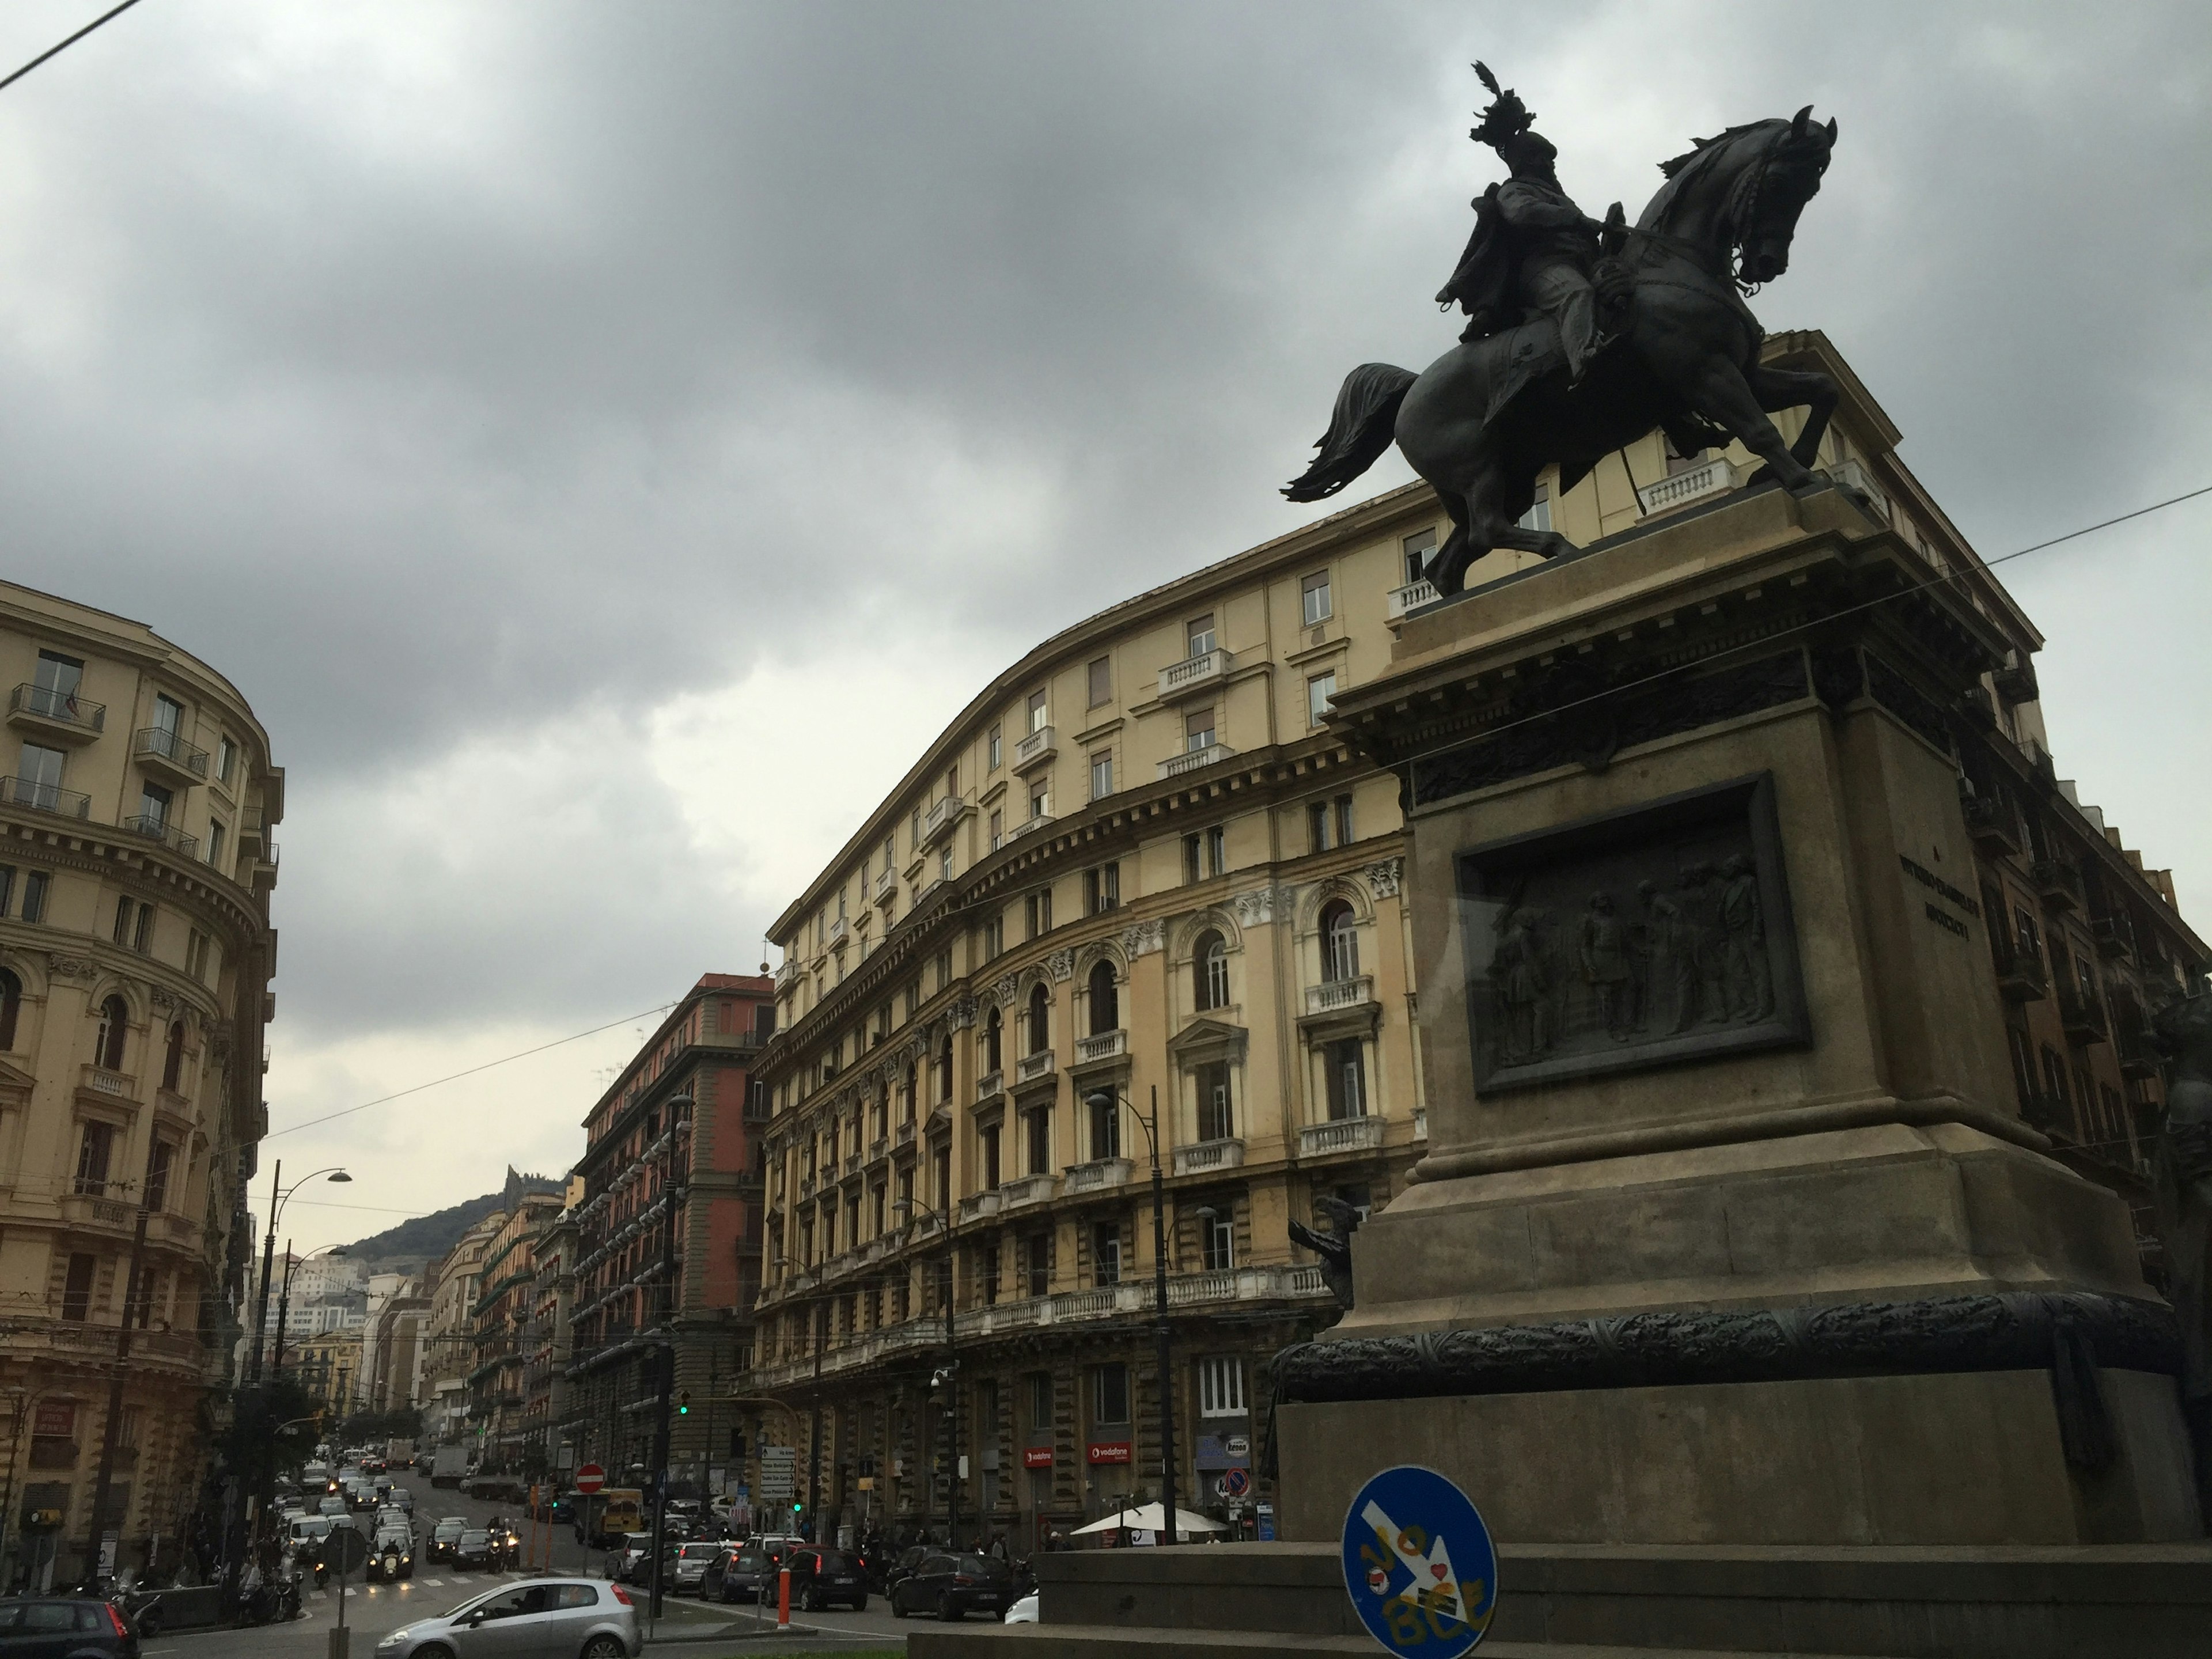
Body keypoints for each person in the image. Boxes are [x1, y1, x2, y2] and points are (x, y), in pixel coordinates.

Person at [1435, 63, 1612, 381]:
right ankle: (1586, 362)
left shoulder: (1557, 194)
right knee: (1576, 294)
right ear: (1526, 161)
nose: (1549, 164)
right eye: (1542, 158)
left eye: (1550, 159)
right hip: (1544, 269)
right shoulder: (1514, 190)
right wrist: (1575, 219)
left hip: (1585, 261)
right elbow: (1522, 214)